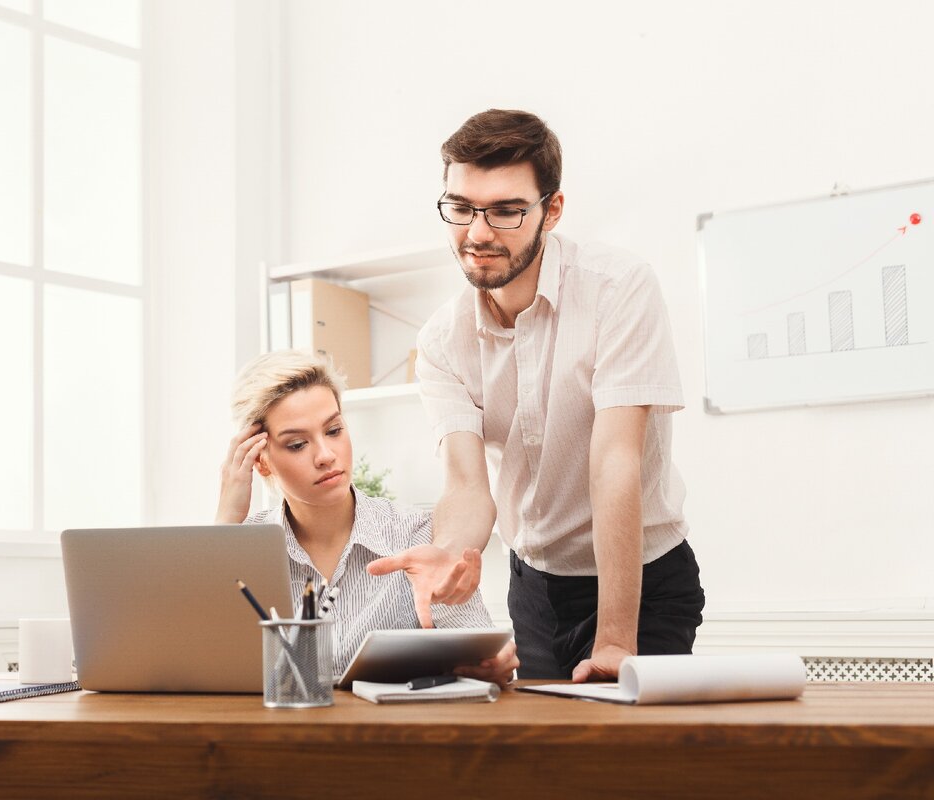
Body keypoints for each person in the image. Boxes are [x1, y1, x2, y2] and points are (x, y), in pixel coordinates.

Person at [367, 108, 705, 682]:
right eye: (462, 208)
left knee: (633, 762)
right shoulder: (443, 342)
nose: (477, 233)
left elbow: (615, 461)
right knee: (548, 761)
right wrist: (449, 552)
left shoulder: (618, 288)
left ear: (552, 210)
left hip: (641, 579)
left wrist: (616, 641)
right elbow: (469, 485)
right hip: (536, 587)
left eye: (505, 211)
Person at [215, 349, 518, 685]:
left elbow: (479, 658)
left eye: (333, 431)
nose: (326, 456)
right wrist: (227, 517)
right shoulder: (241, 549)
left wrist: (492, 665)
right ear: (261, 461)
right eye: (298, 444)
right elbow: (205, 659)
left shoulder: (418, 535)